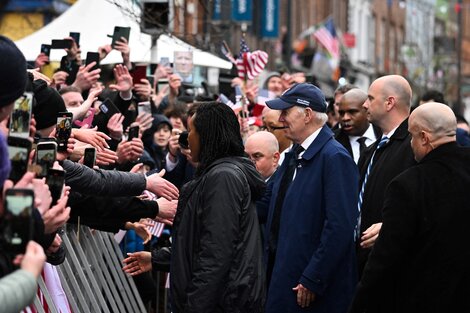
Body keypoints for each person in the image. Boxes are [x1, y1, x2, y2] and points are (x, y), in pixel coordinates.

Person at [123, 102, 266, 312]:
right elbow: (197, 241)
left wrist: (194, 306)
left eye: (191, 131)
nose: (187, 138)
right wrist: (158, 258)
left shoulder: (223, 177)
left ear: (207, 136)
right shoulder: (217, 173)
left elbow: (216, 253)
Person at [349, 102, 470, 313]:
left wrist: (359, 304)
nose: (410, 144)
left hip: (423, 298)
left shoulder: (408, 185)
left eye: (412, 136)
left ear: (424, 138)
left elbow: (384, 261)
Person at [261, 83, 359, 312]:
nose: (281, 118)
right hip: (286, 279)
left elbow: (340, 227)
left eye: (286, 112)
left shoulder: (334, 158)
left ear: (307, 115)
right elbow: (267, 202)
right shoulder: (295, 154)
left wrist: (313, 277)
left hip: (309, 291)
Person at [356, 75, 416, 276]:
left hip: (395, 266)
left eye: (370, 98)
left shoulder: (414, 147)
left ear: (390, 102)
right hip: (363, 261)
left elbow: (425, 204)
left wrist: (391, 226)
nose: (365, 105)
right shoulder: (372, 150)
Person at [335, 89, 380, 163]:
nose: (345, 118)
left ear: (367, 111)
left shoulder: (385, 136)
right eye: (341, 113)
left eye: (352, 112)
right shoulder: (332, 141)